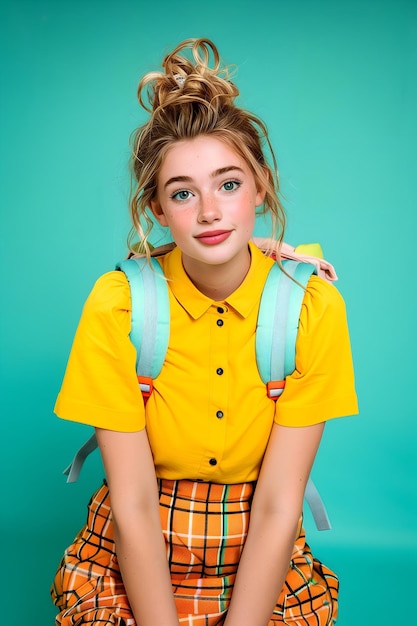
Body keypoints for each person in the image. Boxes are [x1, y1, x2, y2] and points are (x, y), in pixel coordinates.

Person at [51, 38, 358, 626]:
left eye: (229, 184)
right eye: (183, 193)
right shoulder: (118, 306)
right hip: (134, 548)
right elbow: (134, 506)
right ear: (158, 210)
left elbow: (276, 506)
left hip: (257, 550)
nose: (209, 212)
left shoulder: (310, 307)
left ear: (261, 185)